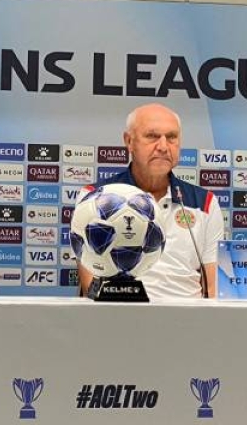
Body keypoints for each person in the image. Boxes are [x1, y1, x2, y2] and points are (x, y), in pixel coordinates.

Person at [78, 103, 223, 299]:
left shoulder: (205, 202)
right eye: (152, 136)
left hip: (187, 313)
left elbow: (212, 288)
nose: (163, 147)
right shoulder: (95, 198)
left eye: (171, 137)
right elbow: (90, 284)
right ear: (129, 142)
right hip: (120, 310)